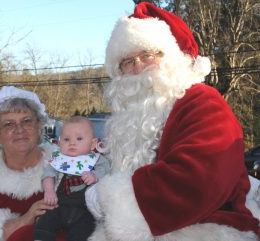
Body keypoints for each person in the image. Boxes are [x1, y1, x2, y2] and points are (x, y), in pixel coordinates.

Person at [85, 2, 260, 241]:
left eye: (146, 56)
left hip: (209, 228)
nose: (137, 69)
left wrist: (113, 197)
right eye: (128, 62)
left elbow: (201, 177)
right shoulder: (128, 121)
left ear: (172, 59)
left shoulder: (203, 102)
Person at [0, 86, 66, 241]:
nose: (19, 129)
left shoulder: (64, 165)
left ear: (39, 127)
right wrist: (21, 223)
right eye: (9, 124)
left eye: (27, 121)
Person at [33, 116, 110, 241]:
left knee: (83, 233)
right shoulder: (59, 159)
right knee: (43, 224)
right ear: (59, 142)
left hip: (85, 210)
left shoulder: (97, 159)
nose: (72, 143)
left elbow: (106, 171)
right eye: (66, 139)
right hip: (59, 206)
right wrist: (49, 190)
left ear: (92, 143)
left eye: (79, 138)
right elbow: (48, 174)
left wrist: (95, 176)